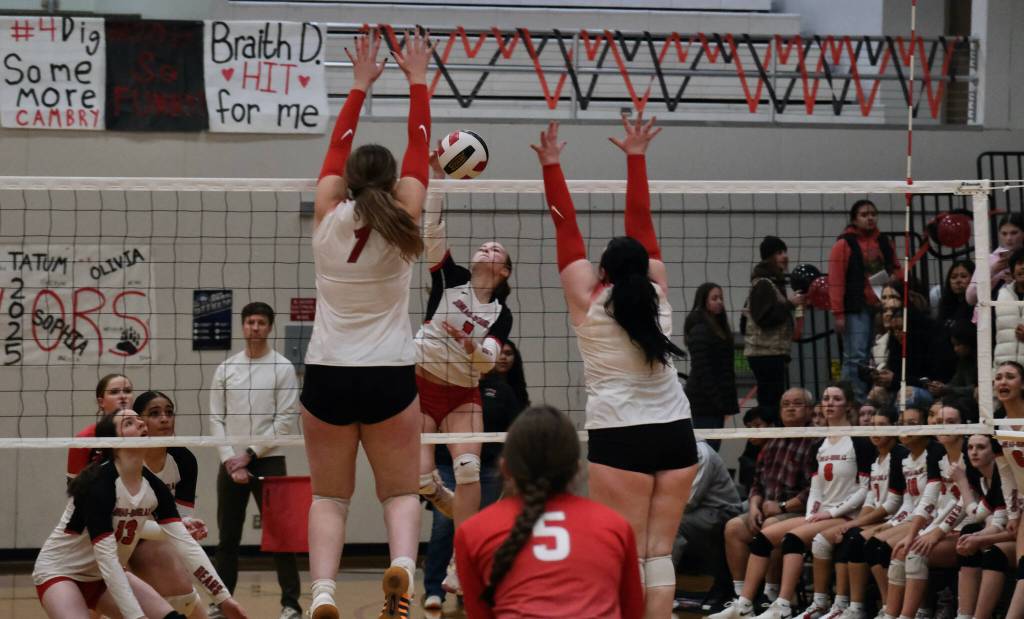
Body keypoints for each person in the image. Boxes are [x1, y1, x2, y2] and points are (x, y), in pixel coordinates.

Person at [533, 116, 698, 618]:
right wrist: (636, 155)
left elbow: (565, 223)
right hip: (674, 431)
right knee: (658, 553)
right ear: (644, 267)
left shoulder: (586, 299)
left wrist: (551, 163)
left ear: (601, 271)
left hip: (620, 433)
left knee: (624, 553)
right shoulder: (660, 292)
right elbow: (642, 222)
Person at [299, 29, 433, 619]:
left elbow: (335, 149)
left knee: (330, 494)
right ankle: (401, 567)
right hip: (388, 374)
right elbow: (420, 150)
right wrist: (419, 81)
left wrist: (357, 86)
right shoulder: (406, 219)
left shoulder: (328, 213)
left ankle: (323, 593)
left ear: (348, 181)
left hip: (327, 372)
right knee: (400, 490)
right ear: (393, 184)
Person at [415, 142, 514, 594]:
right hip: (419, 386)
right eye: (484, 246)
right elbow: (431, 226)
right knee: (421, 479)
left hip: (462, 395)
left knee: (470, 470)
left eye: (496, 250)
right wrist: (436, 177)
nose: (487, 249)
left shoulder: (502, 314)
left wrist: (470, 346)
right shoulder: (449, 278)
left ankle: (460, 563)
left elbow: (490, 360)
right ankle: (443, 502)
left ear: (505, 272)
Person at [33, 410, 247, 619]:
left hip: (102, 576)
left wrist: (223, 599)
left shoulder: (153, 487)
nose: (142, 424)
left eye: (139, 419)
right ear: (114, 442)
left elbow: (186, 545)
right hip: (61, 572)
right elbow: (107, 560)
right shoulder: (99, 485)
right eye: (129, 423)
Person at [454, 405, 644, 619]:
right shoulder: (615, 525)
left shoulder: (472, 531)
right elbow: (633, 613)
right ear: (577, 469)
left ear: (505, 468)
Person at [714, 382, 874, 619]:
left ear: (848, 405)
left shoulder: (859, 440)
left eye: (836, 399)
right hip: (821, 513)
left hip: (847, 514)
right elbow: (817, 488)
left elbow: (865, 489)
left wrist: (827, 514)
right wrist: (811, 514)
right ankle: (744, 605)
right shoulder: (820, 442)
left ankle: (782, 605)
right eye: (827, 399)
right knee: (763, 539)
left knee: (791, 539)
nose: (830, 404)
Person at [209, 301, 301, 619]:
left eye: (261, 322)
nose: (255, 328)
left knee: (281, 537)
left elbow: (286, 419)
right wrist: (230, 459)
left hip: (269, 460)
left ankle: (291, 604)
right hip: (230, 462)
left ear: (270, 327)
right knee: (227, 539)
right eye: (250, 322)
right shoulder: (226, 368)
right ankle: (223, 602)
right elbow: (215, 419)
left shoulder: (282, 367)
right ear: (243, 326)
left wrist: (249, 455)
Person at [422, 339, 528, 611]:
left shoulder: (500, 390)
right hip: (447, 464)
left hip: (489, 467)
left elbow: (515, 428)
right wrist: (429, 461)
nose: (503, 358)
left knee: (480, 528)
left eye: (507, 354)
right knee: (443, 527)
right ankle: (434, 588)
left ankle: (468, 587)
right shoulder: (449, 384)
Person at [719, 388, 819, 614]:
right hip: (767, 509)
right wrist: (754, 505)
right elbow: (757, 482)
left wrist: (783, 506)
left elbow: (814, 489)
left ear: (810, 410)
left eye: (797, 403)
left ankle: (770, 595)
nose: (791, 408)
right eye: (786, 404)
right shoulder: (772, 441)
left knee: (771, 527)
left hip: (799, 512)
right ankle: (742, 598)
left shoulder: (816, 441)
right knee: (733, 527)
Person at [801, 406, 906, 619]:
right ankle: (844, 605)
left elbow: (894, 504)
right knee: (841, 537)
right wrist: (854, 524)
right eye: (873, 426)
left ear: (895, 428)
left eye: (882, 426)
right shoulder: (877, 459)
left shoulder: (899, 455)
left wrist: (853, 523)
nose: (876, 431)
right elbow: (870, 498)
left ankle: (887, 607)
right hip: (882, 516)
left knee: (859, 540)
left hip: (898, 518)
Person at [133, 390, 211, 618]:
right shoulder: (126, 458)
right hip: (117, 538)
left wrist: (190, 526)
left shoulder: (184, 459)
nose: (165, 418)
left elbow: (182, 518)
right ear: (140, 421)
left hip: (158, 538)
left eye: (169, 412)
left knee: (181, 591)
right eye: (155, 413)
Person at [828, 199, 902, 401]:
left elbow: (896, 267)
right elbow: (835, 280)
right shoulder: (844, 244)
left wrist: (895, 279)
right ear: (854, 219)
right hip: (855, 308)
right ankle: (852, 399)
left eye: (873, 213)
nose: (870, 217)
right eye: (864, 214)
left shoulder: (883, 242)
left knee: (872, 355)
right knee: (855, 356)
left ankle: (865, 397)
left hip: (879, 306)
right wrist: (838, 313)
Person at [672, 440, 742, 609]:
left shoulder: (701, 452)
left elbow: (689, 501)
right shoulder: (664, 451)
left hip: (720, 510)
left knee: (671, 527)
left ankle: (662, 590)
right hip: (691, 509)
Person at [743, 235, 805, 423]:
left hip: (770, 352)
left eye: (785, 251)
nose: (785, 256)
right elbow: (763, 318)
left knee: (771, 399)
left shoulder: (771, 282)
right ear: (769, 256)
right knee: (771, 401)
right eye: (779, 252)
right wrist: (790, 304)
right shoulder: (764, 283)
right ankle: (770, 436)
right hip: (766, 353)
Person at [685, 282, 739, 450]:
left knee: (713, 449)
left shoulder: (719, 328)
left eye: (721, 298)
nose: (720, 302)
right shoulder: (700, 329)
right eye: (714, 298)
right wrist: (719, 402)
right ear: (704, 302)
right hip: (704, 403)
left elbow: (725, 370)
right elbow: (703, 370)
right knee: (705, 450)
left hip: (715, 404)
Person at [994, 361, 1024, 618]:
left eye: (1010, 377)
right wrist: (1013, 514)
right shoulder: (997, 426)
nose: (1003, 382)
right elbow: (1007, 476)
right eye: (999, 377)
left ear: (1022, 384)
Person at [67, 373, 134, 480]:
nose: (123, 396)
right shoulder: (84, 439)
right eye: (114, 392)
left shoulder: (142, 433)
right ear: (101, 402)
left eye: (127, 391)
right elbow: (75, 488)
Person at [966, 212, 1024, 308]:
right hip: (993, 315)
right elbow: (970, 298)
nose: (1008, 238)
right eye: (1004, 233)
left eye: (1014, 233)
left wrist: (1015, 282)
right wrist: (992, 271)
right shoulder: (990, 260)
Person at [993, 248, 1024, 367]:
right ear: (1012, 269)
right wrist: (994, 371)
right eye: (1019, 263)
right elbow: (994, 336)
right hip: (1006, 371)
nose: (1022, 267)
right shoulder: (1001, 295)